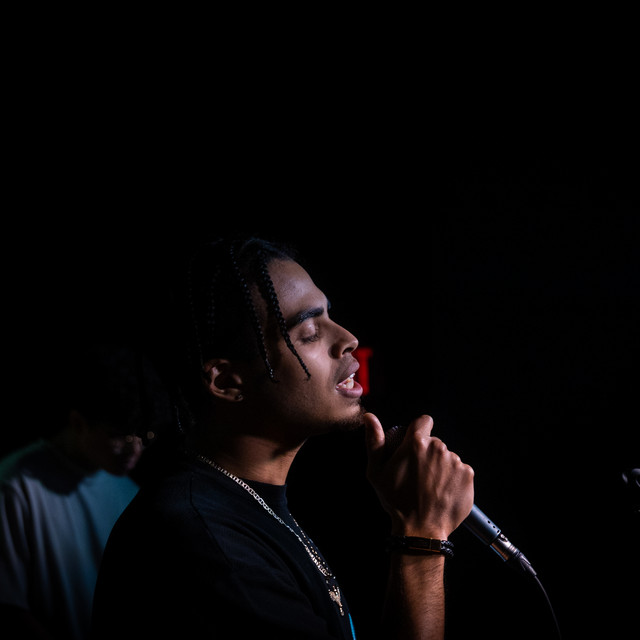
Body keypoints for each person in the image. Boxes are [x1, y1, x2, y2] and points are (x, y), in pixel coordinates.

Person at [90, 236, 475, 639]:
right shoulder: (207, 544)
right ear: (227, 381)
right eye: (309, 333)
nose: (347, 338)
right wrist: (422, 538)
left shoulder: (242, 505)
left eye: (330, 316)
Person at [0, 343, 173, 640]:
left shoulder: (131, 492)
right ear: (78, 423)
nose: (135, 450)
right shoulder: (16, 487)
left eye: (144, 436)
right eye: (120, 436)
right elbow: (9, 609)